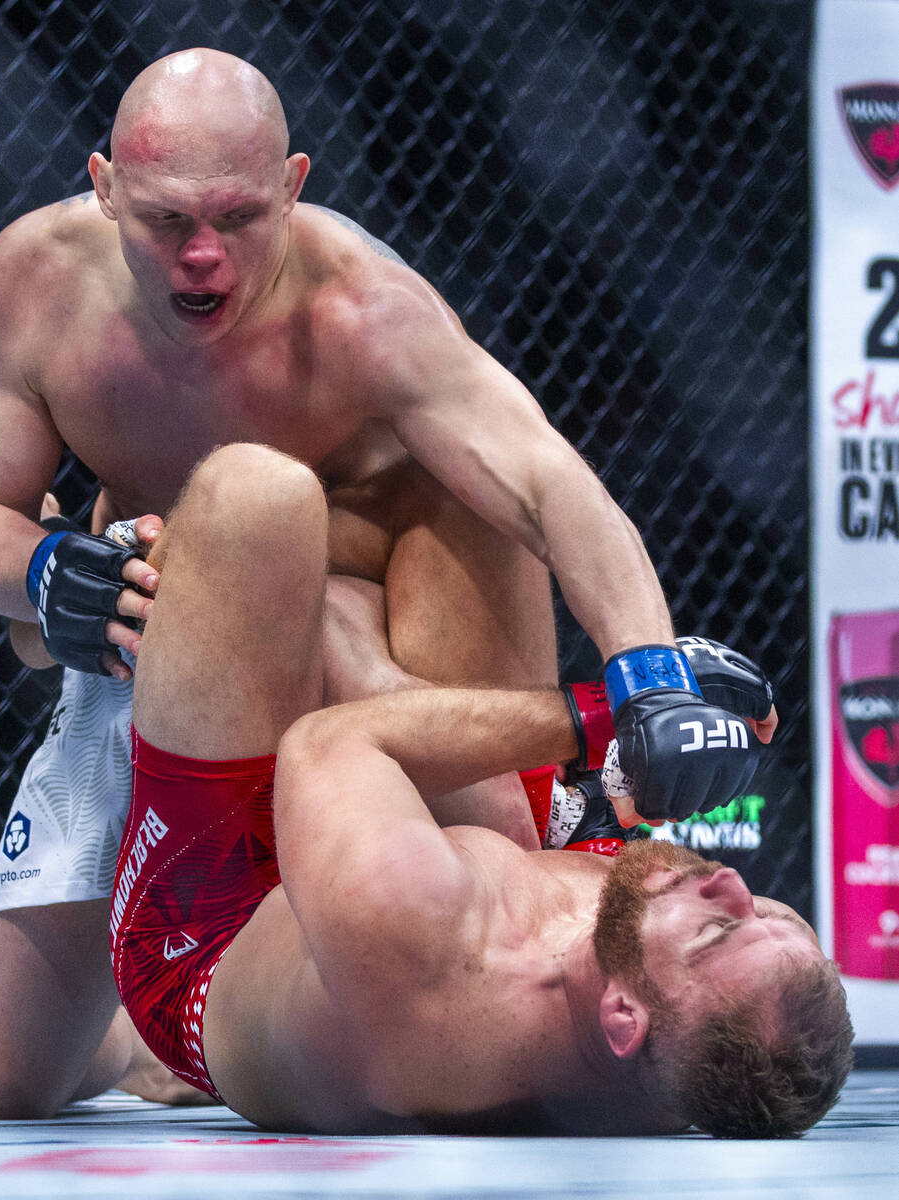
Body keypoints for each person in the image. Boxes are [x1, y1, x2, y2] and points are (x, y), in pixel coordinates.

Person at [0, 48, 762, 1117]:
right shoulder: (35, 284)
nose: (201, 257)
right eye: (165, 221)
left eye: (237, 218)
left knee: (434, 507)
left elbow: (552, 485)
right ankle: (142, 1053)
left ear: (293, 186)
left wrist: (649, 676)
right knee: (3, 1083)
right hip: (176, 656)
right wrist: (50, 571)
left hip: (387, 648)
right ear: (101, 186)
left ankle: (534, 788)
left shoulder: (367, 315)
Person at [111, 442, 852, 1137]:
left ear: (621, 1016)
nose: (729, 885)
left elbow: (336, 737)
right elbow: (752, 956)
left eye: (716, 927)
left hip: (211, 920)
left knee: (254, 500)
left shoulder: (447, 961)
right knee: (467, 475)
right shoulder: (705, 1037)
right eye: (763, 914)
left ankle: (111, 588)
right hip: (453, 860)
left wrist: (617, 710)